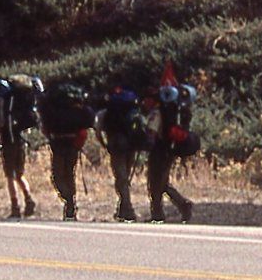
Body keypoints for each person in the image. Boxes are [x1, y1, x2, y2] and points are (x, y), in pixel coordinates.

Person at [38, 81, 98, 220]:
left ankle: (69, 201)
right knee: (69, 174)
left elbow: (44, 126)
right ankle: (70, 203)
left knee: (57, 176)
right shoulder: (75, 106)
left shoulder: (51, 106)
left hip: (58, 143)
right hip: (73, 143)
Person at [0, 76, 41, 219]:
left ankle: (15, 207)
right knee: (19, 175)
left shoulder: (2, 108)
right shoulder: (19, 104)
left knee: (10, 176)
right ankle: (29, 199)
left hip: (8, 143)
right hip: (21, 141)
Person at [145, 84, 196, 224]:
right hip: (170, 150)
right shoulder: (174, 112)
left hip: (159, 151)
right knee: (162, 182)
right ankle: (180, 205)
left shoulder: (157, 112)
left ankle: (159, 214)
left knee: (155, 183)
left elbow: (152, 133)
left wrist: (144, 143)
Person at [100, 83, 146, 222]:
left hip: (116, 145)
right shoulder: (132, 111)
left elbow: (98, 131)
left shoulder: (106, 112)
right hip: (131, 145)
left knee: (121, 178)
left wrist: (104, 144)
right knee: (124, 177)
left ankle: (128, 209)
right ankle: (122, 209)